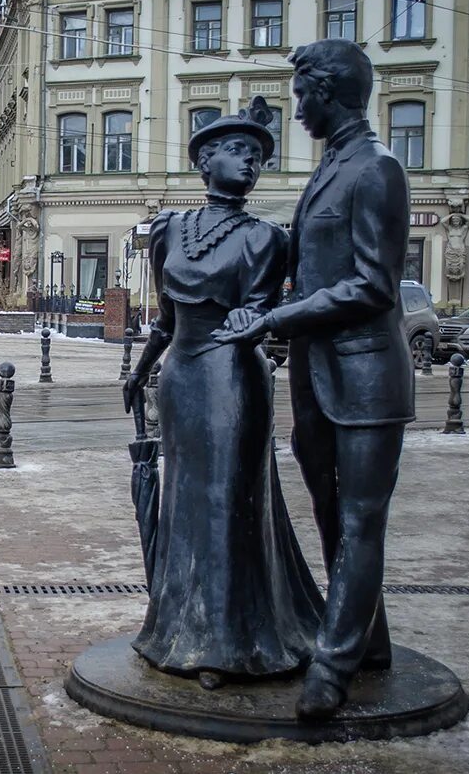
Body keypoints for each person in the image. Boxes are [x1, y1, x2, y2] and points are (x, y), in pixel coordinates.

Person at [214, 41, 414, 719]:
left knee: (359, 520)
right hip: (318, 375)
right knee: (333, 513)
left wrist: (278, 315)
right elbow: (301, 252)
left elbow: (372, 285)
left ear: (328, 92)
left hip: (365, 376)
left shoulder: (377, 171)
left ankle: (331, 667)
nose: (298, 109)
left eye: (303, 95)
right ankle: (370, 639)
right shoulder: (329, 172)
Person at [123, 97, 323, 691]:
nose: (252, 163)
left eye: (259, 155)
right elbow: (165, 317)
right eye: (240, 151)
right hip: (183, 375)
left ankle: (232, 641)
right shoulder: (170, 230)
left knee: (229, 501)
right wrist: (141, 369)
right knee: (186, 500)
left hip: (235, 374)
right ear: (205, 161)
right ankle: (180, 629)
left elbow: (259, 309)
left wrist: (258, 319)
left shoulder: (266, 238)